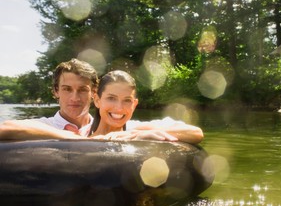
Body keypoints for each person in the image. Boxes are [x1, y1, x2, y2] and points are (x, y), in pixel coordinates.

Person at [0, 60, 203, 144]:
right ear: (55, 92)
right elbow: (5, 128)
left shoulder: (118, 125)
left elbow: (195, 133)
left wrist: (135, 134)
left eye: (82, 90)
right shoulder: (46, 126)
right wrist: (75, 140)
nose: (74, 98)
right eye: (67, 89)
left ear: (94, 95)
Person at [88, 70, 203, 144]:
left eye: (127, 100)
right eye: (111, 98)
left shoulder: (137, 129)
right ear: (97, 100)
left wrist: (136, 135)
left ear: (135, 104)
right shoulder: (82, 136)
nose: (119, 108)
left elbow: (196, 133)